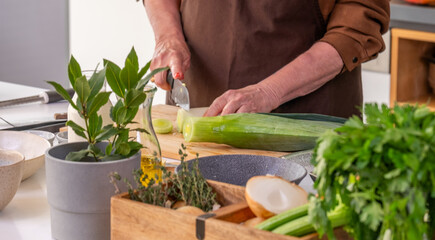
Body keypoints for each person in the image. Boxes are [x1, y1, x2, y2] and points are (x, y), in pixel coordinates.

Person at [144, 0, 390, 118]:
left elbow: (355, 27)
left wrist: (270, 91)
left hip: (302, 125)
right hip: (197, 110)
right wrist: (168, 36)